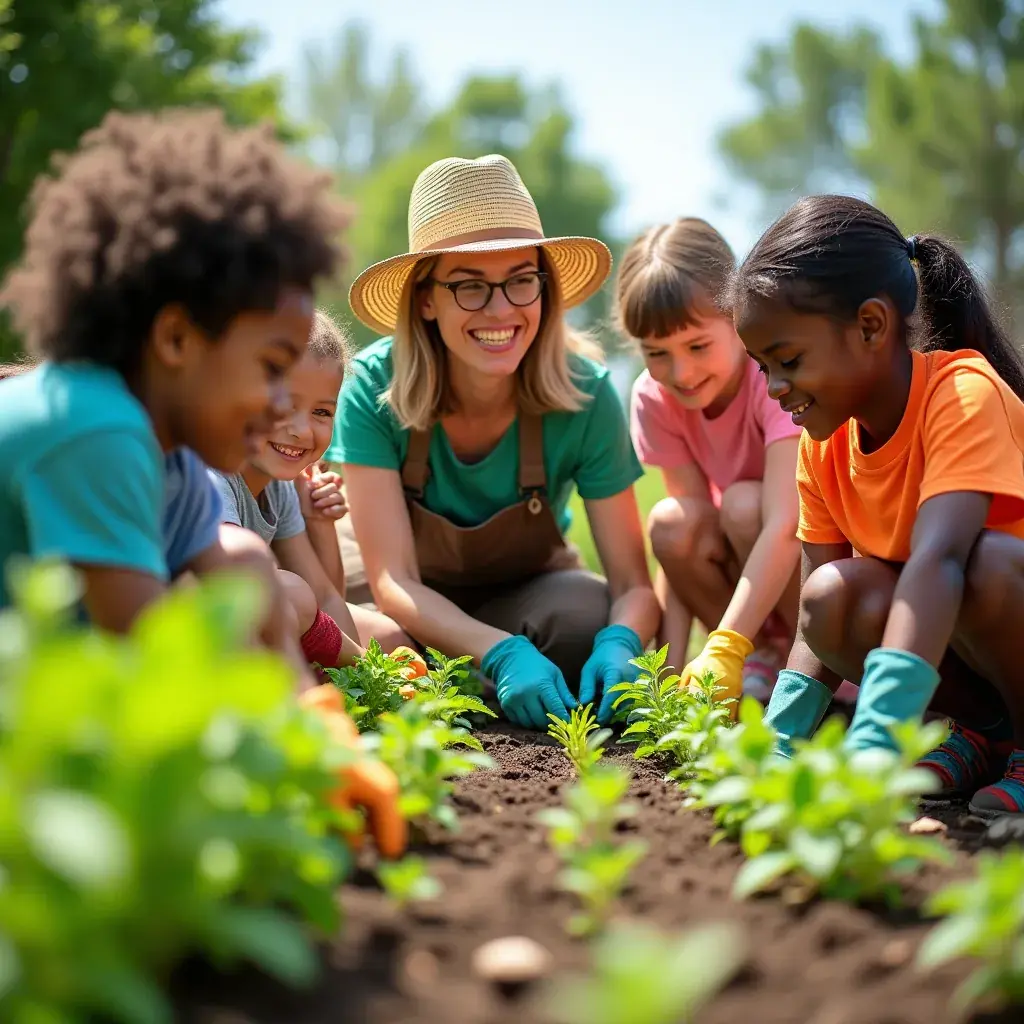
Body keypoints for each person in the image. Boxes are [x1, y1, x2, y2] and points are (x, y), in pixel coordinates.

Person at [0, 108, 404, 855]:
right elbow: (153, 655)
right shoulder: (96, 428)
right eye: (270, 367)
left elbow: (243, 592)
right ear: (178, 339)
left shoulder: (177, 460)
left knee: (248, 562)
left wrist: (321, 732)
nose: (285, 405)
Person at [332, 154, 660, 731]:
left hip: (519, 590)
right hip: (396, 597)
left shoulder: (586, 395)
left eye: (520, 281)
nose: (501, 309)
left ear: (544, 287)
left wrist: (622, 641)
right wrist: (502, 650)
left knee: (586, 614)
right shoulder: (372, 387)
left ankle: (459, 679)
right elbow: (394, 581)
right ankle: (463, 675)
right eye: (469, 287)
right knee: (382, 642)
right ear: (426, 299)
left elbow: (632, 583)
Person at [734, 193, 1024, 819]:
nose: (774, 388)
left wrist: (878, 732)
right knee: (835, 597)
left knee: (987, 565)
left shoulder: (962, 394)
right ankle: (988, 739)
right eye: (762, 368)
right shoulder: (825, 440)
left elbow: (940, 559)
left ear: (870, 325)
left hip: (998, 593)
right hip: (982, 663)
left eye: (788, 361)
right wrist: (782, 738)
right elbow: (818, 608)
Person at [617, 218, 801, 703]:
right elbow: (682, 544)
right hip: (747, 583)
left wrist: (725, 644)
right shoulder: (655, 397)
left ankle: (816, 661)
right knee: (672, 522)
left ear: (737, 315)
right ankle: (764, 655)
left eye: (698, 346)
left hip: (814, 569)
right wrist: (668, 675)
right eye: (656, 353)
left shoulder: (773, 377)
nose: (681, 372)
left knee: (744, 504)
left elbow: (787, 524)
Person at [210, 308, 410, 670]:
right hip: (199, 630)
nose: (302, 431)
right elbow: (241, 586)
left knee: (389, 635)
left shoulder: (280, 487)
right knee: (287, 592)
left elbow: (326, 596)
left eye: (322, 413)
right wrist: (369, 671)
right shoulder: (214, 473)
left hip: (262, 621)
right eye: (286, 405)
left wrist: (320, 524)